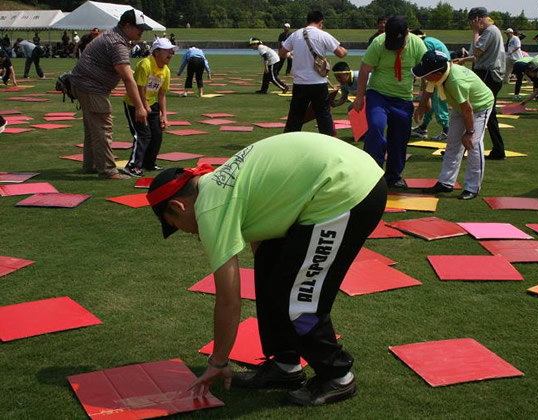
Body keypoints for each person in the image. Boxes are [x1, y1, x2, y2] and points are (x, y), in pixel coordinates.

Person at [146, 132, 387, 406]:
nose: (187, 232)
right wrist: (273, 279)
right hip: (338, 178)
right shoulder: (215, 184)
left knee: (299, 299)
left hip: (347, 190)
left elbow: (228, 301)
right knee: (272, 277)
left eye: (176, 226)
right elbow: (265, 241)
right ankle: (285, 365)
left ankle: (337, 375)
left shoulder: (210, 208)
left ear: (179, 205)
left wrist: (219, 360)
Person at [70, 9, 150, 180]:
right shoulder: (117, 43)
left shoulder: (115, 37)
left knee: (93, 128)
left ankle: (91, 165)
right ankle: (107, 170)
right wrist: (140, 107)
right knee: (102, 127)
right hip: (91, 87)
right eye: (139, 28)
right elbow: (128, 79)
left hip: (84, 84)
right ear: (127, 26)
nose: (141, 31)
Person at [352, 16, 427, 189]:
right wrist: (359, 97)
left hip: (403, 98)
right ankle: (373, 172)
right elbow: (364, 70)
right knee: (376, 128)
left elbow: (426, 72)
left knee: (399, 138)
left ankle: (393, 176)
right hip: (379, 95)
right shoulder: (379, 43)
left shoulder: (417, 45)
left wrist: (424, 100)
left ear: (407, 32)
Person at [414, 51, 494, 200]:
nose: (424, 76)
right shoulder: (438, 74)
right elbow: (428, 91)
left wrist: (469, 133)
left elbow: (468, 109)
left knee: (473, 145)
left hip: (480, 106)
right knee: (452, 143)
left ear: (437, 73)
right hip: (460, 107)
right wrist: (420, 108)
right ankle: (446, 182)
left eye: (426, 73)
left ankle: (472, 187)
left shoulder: (455, 81)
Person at [280, 10, 348, 136]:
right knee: (324, 117)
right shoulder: (323, 35)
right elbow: (341, 53)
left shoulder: (296, 34)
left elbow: (282, 53)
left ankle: (289, 144)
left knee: (295, 117)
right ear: (321, 22)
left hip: (299, 83)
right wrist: (344, 49)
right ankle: (328, 145)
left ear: (307, 21)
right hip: (318, 82)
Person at [454, 7, 506, 160]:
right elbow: (479, 55)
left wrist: (476, 32)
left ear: (477, 19)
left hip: (487, 74)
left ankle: (465, 148)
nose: (471, 26)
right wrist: (464, 60)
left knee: (474, 110)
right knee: (489, 115)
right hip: (489, 74)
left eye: (472, 23)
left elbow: (478, 51)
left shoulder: (489, 31)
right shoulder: (493, 31)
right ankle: (498, 149)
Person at [122, 38, 177, 178]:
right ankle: (133, 166)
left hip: (151, 104)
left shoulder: (166, 71)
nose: (171, 54)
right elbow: (139, 88)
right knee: (143, 134)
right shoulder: (145, 64)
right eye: (167, 51)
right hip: (134, 103)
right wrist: (144, 106)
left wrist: (164, 115)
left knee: (157, 134)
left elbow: (162, 94)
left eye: (172, 51)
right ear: (157, 52)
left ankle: (149, 163)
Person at [410, 29, 450, 141]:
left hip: (440, 74)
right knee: (431, 101)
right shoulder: (429, 41)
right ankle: (423, 127)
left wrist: (424, 82)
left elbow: (427, 65)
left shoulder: (425, 44)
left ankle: (447, 130)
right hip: (440, 71)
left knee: (438, 102)